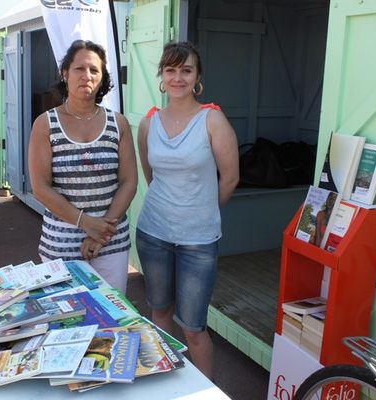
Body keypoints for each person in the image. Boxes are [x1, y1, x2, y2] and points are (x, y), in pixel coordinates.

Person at [135, 41, 239, 379]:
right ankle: (162, 382)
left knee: (194, 327)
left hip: (198, 240)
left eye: (186, 70)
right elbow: (152, 177)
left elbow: (230, 178)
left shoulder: (212, 119)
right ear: (162, 76)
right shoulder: (149, 123)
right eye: (171, 70)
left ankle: (203, 391)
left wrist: (203, 211)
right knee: (160, 313)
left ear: (197, 77)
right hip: (153, 233)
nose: (178, 77)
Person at [28, 40, 137, 294]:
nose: (86, 76)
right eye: (79, 69)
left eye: (94, 70)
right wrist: (86, 223)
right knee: (68, 323)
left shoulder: (118, 123)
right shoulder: (46, 124)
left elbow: (129, 182)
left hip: (111, 243)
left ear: (102, 78)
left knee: (113, 322)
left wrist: (100, 232)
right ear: (65, 73)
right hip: (60, 247)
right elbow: (40, 188)